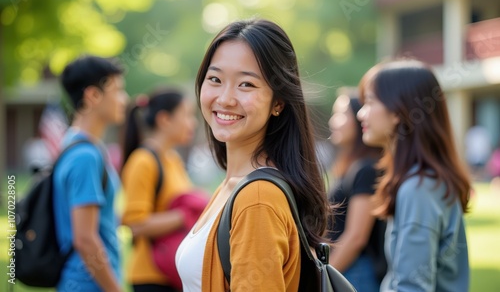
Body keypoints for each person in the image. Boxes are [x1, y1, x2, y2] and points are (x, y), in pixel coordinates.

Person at [175, 18, 330, 291]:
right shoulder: (233, 185)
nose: (225, 98)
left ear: (278, 103)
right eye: (215, 79)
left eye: (246, 85)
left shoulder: (257, 198)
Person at [357, 59, 471, 292]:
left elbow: (412, 288)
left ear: (399, 111)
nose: (361, 114)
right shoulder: (422, 182)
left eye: (369, 102)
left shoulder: (419, 188)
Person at [54, 55, 129, 291]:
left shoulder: (74, 144)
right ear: (93, 96)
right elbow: (85, 239)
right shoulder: (85, 156)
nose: (124, 99)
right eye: (117, 91)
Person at [120, 88, 199, 292]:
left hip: (173, 272)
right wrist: (185, 216)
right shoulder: (143, 161)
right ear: (164, 119)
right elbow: (135, 224)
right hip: (151, 277)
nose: (193, 123)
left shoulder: (172, 159)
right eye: (187, 115)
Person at [327, 89, 385, 292]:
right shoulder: (349, 168)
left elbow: (356, 237)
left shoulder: (367, 169)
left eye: (342, 114)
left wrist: (323, 278)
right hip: (348, 270)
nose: (333, 121)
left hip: (356, 273)